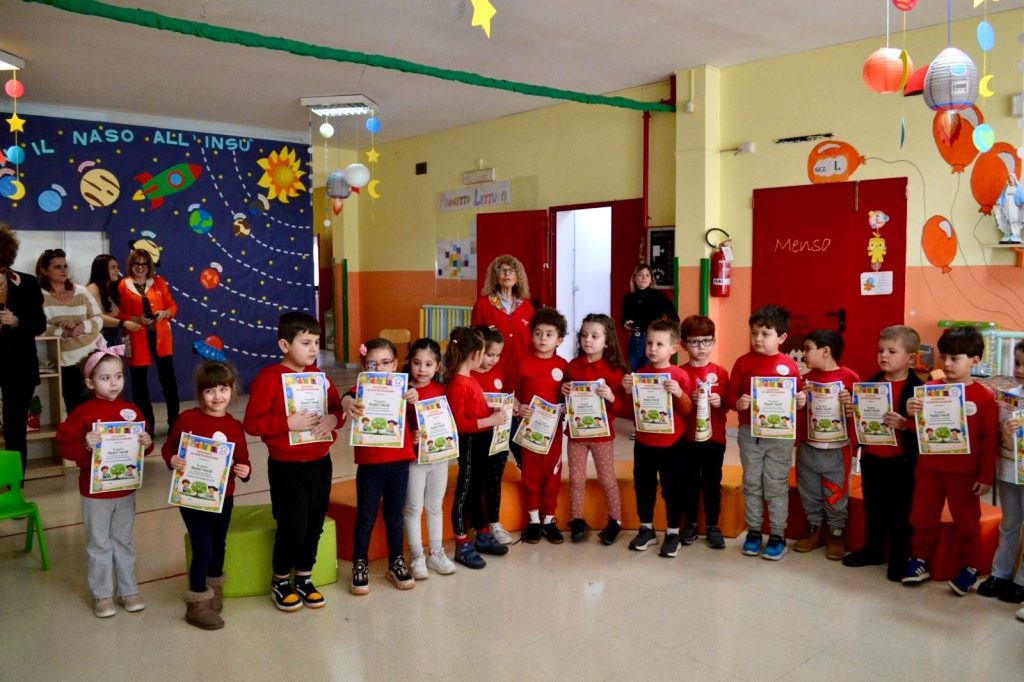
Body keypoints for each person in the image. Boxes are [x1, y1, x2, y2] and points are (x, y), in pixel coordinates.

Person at [243, 312, 344, 611]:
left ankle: (303, 577)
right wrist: (287, 423)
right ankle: (280, 580)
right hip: (287, 467)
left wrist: (333, 419)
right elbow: (252, 423)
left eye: (316, 342)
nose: (313, 349)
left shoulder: (320, 377)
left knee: (314, 524)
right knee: (293, 526)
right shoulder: (268, 378)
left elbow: (337, 410)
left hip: (320, 462)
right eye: (306, 343)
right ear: (285, 345)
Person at [55, 341, 153, 618]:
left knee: (124, 542)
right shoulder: (82, 412)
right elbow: (65, 446)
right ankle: (102, 595)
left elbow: (142, 449)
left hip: (125, 490)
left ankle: (128, 590)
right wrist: (85, 444)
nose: (114, 383)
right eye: (105, 378)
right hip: (95, 493)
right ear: (90, 382)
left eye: (118, 376)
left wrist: (146, 443)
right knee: (99, 544)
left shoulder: (131, 411)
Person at [904, 326, 999, 595]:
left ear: (974, 360)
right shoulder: (928, 389)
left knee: (967, 521)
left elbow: (990, 440)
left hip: (964, 473)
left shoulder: (984, 398)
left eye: (954, 358)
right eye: (943, 356)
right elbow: (919, 430)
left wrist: (985, 476)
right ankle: (919, 558)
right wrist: (911, 414)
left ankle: (970, 566)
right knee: (922, 515)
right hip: (929, 467)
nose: (946, 364)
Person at [162, 361, 252, 630]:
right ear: (200, 393)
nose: (217, 396)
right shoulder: (187, 419)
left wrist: (245, 470)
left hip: (223, 497)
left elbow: (243, 460)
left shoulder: (234, 425)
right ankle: (197, 601)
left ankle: (214, 588)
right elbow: (168, 448)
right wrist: (173, 459)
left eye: (223, 389)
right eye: (210, 390)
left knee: (218, 544)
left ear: (232, 390)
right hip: (192, 498)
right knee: (202, 547)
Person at [841, 325, 924, 581]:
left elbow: (928, 431)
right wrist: (851, 411)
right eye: (880, 350)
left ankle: (899, 557)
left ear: (910, 358)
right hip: (872, 457)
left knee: (901, 512)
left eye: (891, 351)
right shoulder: (869, 384)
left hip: (902, 461)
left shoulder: (919, 390)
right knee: (874, 507)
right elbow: (860, 421)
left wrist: (905, 424)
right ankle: (873, 550)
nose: (884, 356)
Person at [726, 304, 805, 560]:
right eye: (754, 333)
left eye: (765, 334)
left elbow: (798, 396)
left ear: (781, 337)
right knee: (751, 482)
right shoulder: (743, 362)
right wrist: (738, 403)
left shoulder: (789, 365)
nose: (758, 339)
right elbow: (730, 396)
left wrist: (801, 400)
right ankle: (754, 531)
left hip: (780, 437)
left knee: (776, 485)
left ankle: (778, 535)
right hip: (750, 433)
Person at [341, 338, 418, 593]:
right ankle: (360, 563)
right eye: (373, 363)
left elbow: (418, 414)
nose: (380, 368)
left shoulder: (404, 390)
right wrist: (346, 402)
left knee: (395, 515)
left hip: (398, 463)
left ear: (395, 365)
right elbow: (347, 396)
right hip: (370, 465)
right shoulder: (360, 389)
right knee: (366, 515)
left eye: (385, 362)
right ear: (365, 365)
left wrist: (414, 398)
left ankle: (395, 561)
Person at [622, 319, 694, 556]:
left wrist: (679, 393)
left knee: (673, 488)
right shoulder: (640, 374)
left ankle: (673, 532)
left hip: (672, 444)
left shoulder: (679, 375)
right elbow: (631, 411)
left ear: (674, 348)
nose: (652, 348)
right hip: (644, 442)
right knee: (644, 486)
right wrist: (627, 391)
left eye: (659, 344)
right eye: (649, 343)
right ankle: (646, 528)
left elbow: (688, 411)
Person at [562, 313, 628, 545]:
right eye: (584, 335)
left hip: (602, 435)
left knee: (607, 478)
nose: (587, 340)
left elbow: (622, 408)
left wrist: (610, 396)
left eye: (594, 336)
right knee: (576, 479)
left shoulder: (614, 371)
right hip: (576, 434)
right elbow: (565, 401)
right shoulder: (572, 366)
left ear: (607, 341)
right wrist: (564, 390)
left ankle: (615, 520)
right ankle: (577, 519)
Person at [793, 329, 859, 560]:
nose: (804, 354)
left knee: (836, 493)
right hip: (808, 447)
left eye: (808, 349)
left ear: (826, 351)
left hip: (836, 449)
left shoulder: (849, 378)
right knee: (808, 491)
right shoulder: (805, 379)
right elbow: (795, 413)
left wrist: (851, 405)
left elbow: (860, 413)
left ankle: (836, 533)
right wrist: (799, 400)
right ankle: (814, 529)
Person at [444, 327, 507, 569]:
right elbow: (459, 424)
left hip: (481, 442)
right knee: (465, 492)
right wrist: (490, 420)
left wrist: (492, 412)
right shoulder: (458, 384)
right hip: (470, 443)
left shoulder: (469, 379)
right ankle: (462, 543)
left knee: (478, 489)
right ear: (476, 354)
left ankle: (482, 534)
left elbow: (474, 411)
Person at [514, 307, 570, 544]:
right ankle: (534, 520)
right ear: (531, 335)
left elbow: (570, 397)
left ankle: (549, 520)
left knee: (552, 474)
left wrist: (567, 405)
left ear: (559, 339)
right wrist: (518, 407)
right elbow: (511, 395)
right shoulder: (522, 363)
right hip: (529, 431)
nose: (543, 339)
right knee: (531, 474)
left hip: (553, 432)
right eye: (538, 333)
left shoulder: (564, 365)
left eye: (549, 334)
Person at [401, 338, 457, 579]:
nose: (422, 369)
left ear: (437, 366)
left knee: (435, 506)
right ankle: (417, 556)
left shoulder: (442, 391)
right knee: (413, 507)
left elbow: (449, 422)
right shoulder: (403, 391)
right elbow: (395, 425)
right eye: (417, 363)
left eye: (428, 364)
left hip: (439, 459)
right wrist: (409, 435)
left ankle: (435, 552)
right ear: (409, 363)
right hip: (414, 461)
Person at [678, 315, 731, 550]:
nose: (701, 347)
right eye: (694, 342)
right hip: (686, 439)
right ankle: (689, 523)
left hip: (714, 438)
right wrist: (684, 399)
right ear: (683, 344)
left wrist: (720, 402)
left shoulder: (721, 372)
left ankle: (712, 525)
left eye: (706, 341)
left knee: (712, 482)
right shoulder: (679, 373)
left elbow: (728, 404)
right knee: (688, 481)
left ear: (714, 342)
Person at [978, 341, 1024, 604]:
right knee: (1009, 522)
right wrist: (1005, 433)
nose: (1020, 370)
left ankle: (1022, 581)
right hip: (1008, 470)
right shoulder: (1010, 396)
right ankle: (1000, 574)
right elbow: (996, 433)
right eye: (1017, 363)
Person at [0, 224, 46, 484]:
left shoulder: (26, 282)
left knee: (16, 428)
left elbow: (39, 324)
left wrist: (16, 321)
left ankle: (15, 485)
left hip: (19, 367)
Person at [117, 248, 179, 435]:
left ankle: (175, 424)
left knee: (169, 382)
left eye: (144, 264)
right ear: (131, 265)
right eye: (137, 264)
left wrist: (164, 313)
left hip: (161, 338)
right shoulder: (123, 285)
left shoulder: (159, 282)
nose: (140, 267)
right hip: (136, 337)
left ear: (149, 266)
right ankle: (147, 427)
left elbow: (172, 306)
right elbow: (118, 314)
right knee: (139, 385)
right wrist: (136, 318)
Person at [37, 247, 102, 415]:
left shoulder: (81, 291)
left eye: (65, 266)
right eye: (57, 267)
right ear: (44, 270)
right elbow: (38, 327)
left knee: (99, 407)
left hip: (93, 355)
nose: (63, 270)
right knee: (76, 409)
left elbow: (98, 319)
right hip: (66, 361)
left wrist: (81, 326)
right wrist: (63, 332)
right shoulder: (39, 295)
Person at [471, 324, 515, 545]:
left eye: (498, 355)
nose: (493, 360)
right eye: (489, 354)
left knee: (494, 481)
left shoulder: (499, 372)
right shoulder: (468, 376)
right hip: (476, 438)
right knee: (475, 482)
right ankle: (477, 524)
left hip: (498, 439)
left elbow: (507, 396)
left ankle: (494, 522)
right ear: (477, 351)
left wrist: (515, 405)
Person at [471, 255, 536, 379]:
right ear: (495, 277)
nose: (507, 274)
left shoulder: (527, 306)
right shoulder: (483, 304)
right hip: (491, 371)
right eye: (502, 270)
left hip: (521, 370)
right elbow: (475, 341)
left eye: (511, 270)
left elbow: (533, 341)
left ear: (518, 277)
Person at [620, 263, 679, 371]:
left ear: (651, 279)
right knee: (634, 373)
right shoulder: (629, 297)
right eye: (640, 275)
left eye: (647, 275)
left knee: (651, 371)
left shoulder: (659, 296)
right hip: (634, 338)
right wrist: (626, 324)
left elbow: (674, 317)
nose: (644, 278)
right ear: (634, 278)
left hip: (652, 339)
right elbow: (623, 320)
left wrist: (666, 333)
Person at [87, 254, 136, 347]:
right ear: (102, 270)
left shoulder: (110, 289)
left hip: (114, 339)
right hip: (100, 341)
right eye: (113, 267)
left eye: (117, 267)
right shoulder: (92, 289)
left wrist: (135, 319)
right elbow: (96, 317)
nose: (117, 270)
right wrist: (123, 323)